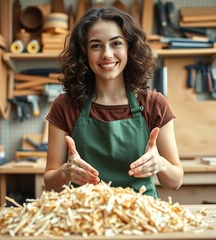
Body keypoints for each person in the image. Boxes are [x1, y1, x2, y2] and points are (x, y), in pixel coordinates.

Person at [44, 7, 183, 198]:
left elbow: (175, 182)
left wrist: (161, 164)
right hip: (84, 217)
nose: (107, 54)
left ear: (129, 48)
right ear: (84, 53)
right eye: (95, 46)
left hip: (143, 218)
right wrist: (65, 172)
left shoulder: (154, 104)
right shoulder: (65, 105)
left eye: (116, 43)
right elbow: (51, 184)